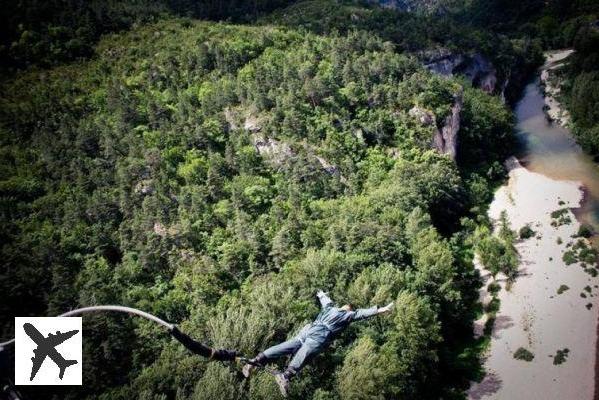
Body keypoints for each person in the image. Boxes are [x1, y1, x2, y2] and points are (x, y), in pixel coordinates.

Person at [242, 290, 394, 396]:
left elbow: (324, 300)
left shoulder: (330, 308)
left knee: (286, 346)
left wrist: (321, 293)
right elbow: (362, 313)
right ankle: (285, 376)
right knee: (305, 353)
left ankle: (254, 361)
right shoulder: (348, 315)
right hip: (319, 335)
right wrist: (380, 310)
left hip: (308, 330)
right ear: (348, 309)